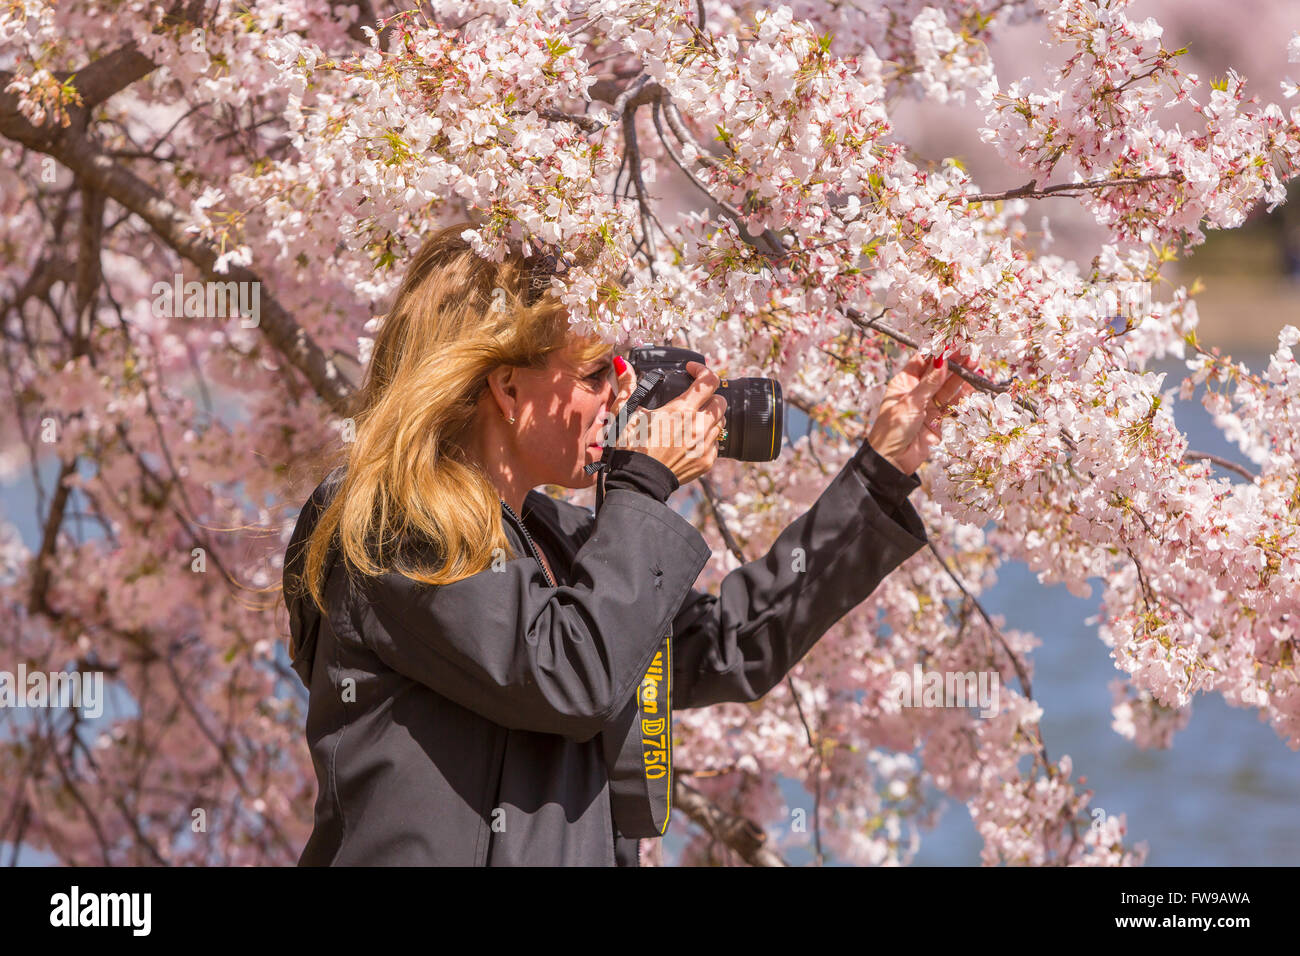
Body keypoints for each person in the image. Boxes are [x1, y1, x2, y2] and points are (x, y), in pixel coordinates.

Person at [281, 221, 975, 865]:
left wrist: (878, 474)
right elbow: (568, 674)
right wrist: (641, 487)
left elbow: (732, 644)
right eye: (592, 375)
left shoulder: (561, 541)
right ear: (507, 386)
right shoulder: (394, 526)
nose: (618, 396)